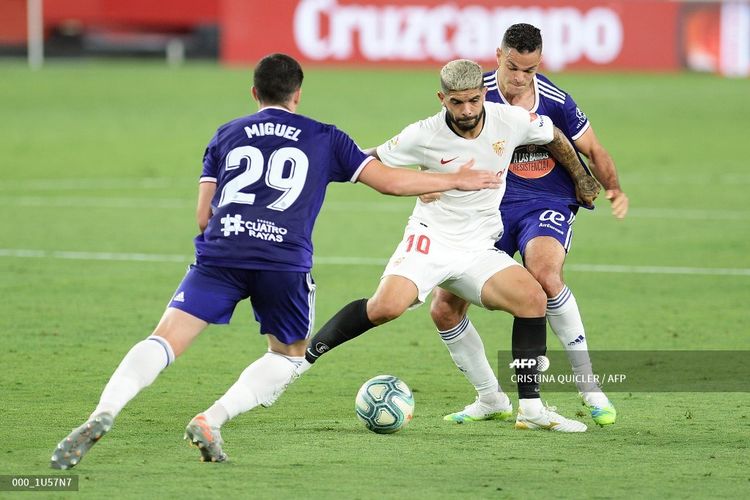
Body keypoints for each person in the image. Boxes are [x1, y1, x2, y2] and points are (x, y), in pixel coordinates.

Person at [49, 53, 502, 469]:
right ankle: (213, 417)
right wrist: (455, 180)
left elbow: (203, 216)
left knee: (165, 339)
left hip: (222, 252)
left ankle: (104, 411)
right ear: (298, 93)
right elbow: (386, 182)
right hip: (283, 261)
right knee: (286, 356)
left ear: (254, 93)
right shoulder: (325, 137)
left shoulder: (226, 133)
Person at [296, 59, 601, 433]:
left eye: (473, 101)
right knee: (387, 307)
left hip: (477, 246)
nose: (467, 111)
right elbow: (366, 160)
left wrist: (583, 177)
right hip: (431, 239)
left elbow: (552, 134)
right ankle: (301, 357)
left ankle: (530, 409)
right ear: (442, 99)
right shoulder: (422, 134)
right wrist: (421, 181)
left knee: (533, 299)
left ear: (484, 94)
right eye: (457, 103)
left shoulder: (511, 119)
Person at [429, 23, 629, 427]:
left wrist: (613, 188)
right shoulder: (474, 93)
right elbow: (439, 142)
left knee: (545, 275)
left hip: (547, 201)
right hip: (488, 209)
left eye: (530, 70)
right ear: (499, 55)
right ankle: (490, 398)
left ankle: (590, 387)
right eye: (514, 67)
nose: (520, 79)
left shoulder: (554, 99)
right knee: (444, 309)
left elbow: (593, 148)